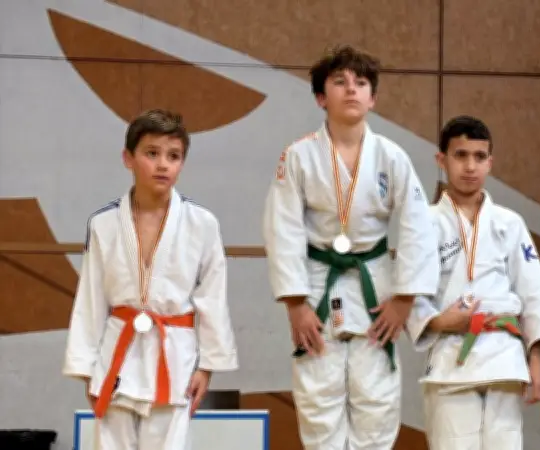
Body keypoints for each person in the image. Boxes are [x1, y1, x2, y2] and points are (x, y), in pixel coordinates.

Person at [262, 45, 440, 450]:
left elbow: (417, 227)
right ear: (320, 97)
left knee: (377, 402)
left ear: (372, 98)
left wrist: (405, 299)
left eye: (360, 83)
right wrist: (295, 303)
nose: (351, 89)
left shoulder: (392, 157)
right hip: (316, 285)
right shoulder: (298, 156)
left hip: (375, 289)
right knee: (318, 401)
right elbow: (282, 227)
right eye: (339, 82)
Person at [62, 109, 239, 450]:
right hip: (117, 355)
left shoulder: (202, 224)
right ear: (128, 158)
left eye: (173, 156)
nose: (163, 165)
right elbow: (91, 298)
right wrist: (87, 368)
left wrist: (207, 367)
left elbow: (213, 298)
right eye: (152, 153)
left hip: (174, 356)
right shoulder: (103, 224)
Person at [405, 115, 540, 450]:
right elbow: (409, 292)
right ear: (441, 160)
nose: (470, 166)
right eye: (460, 155)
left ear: (490, 163)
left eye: (479, 157)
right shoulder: (424, 223)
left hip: (503, 358)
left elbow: (535, 294)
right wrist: (440, 321)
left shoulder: (509, 223)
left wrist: (537, 359)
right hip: (451, 359)